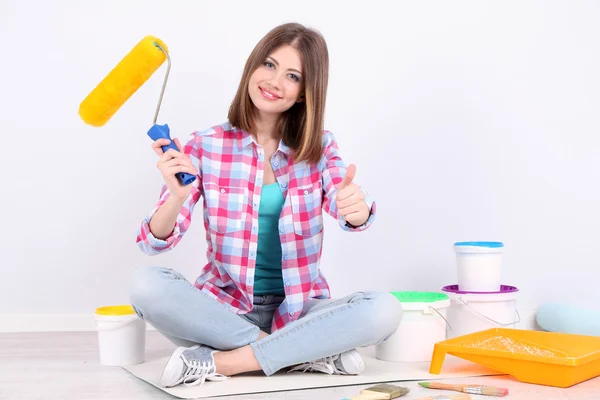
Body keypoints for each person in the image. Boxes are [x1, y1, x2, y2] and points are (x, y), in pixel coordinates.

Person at [130, 22, 403, 388]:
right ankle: (302, 354)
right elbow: (154, 241)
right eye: (270, 65)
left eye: (292, 76)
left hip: (300, 310)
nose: (275, 82)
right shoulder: (205, 144)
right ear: (253, 67)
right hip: (222, 311)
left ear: (305, 93)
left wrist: (358, 209)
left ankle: (223, 363)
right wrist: (177, 197)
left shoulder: (320, 146)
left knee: (384, 309)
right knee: (147, 285)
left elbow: (349, 204)